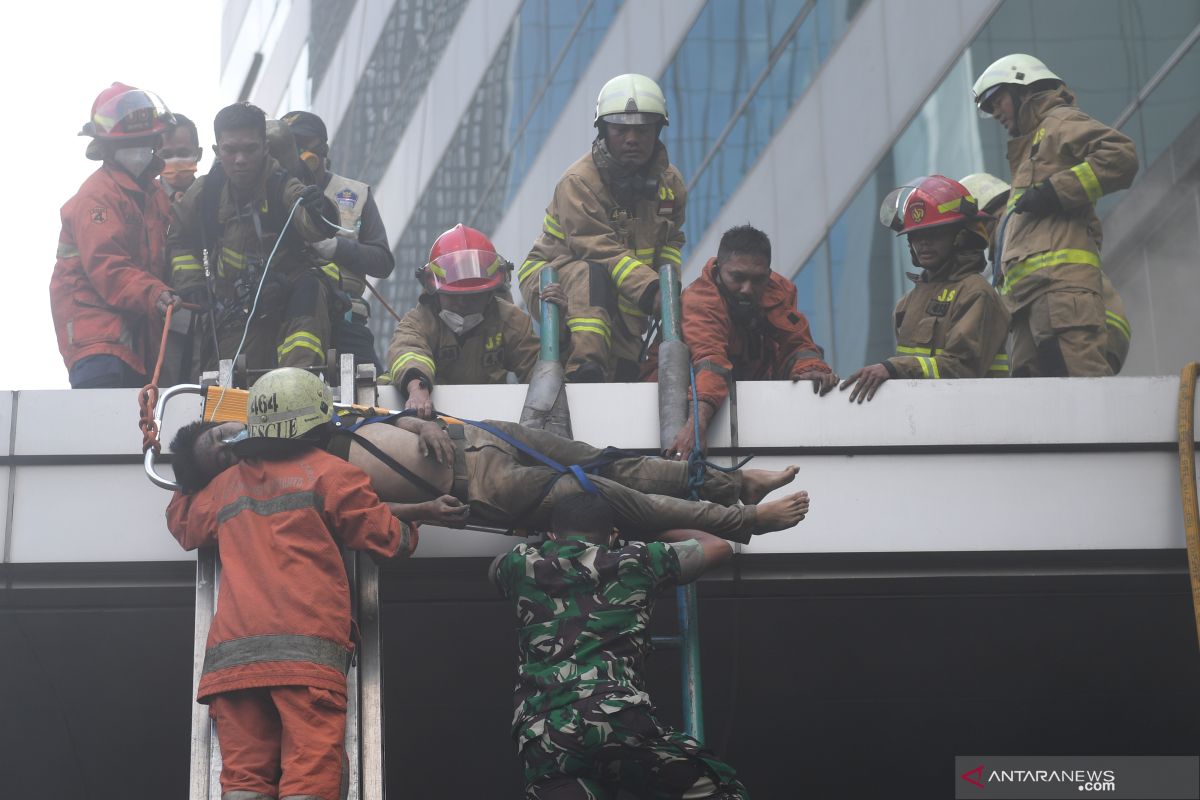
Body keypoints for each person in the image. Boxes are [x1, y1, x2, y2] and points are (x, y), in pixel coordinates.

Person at [171, 369, 811, 544]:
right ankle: (747, 520)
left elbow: (378, 420)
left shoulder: (307, 420)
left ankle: (733, 484)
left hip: (481, 434)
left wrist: (414, 422)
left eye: (223, 435)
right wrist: (426, 506)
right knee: (620, 499)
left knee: (611, 460)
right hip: (487, 489)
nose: (228, 446)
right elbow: (369, 515)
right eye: (218, 450)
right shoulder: (300, 475)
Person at [164, 369, 416, 800]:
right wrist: (414, 523)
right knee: (311, 781)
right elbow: (389, 542)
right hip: (306, 662)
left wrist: (191, 476)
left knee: (243, 784)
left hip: (233, 667)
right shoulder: (334, 475)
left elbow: (183, 525)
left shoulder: (223, 487)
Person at [491, 493, 751, 798]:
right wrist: (648, 531)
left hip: (544, 737)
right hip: (614, 719)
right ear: (612, 535)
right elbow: (719, 547)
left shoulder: (520, 565)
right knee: (722, 790)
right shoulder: (637, 559)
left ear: (552, 535)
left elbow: (494, 567)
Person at [972, 53, 1138, 377]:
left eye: (996, 101)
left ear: (1022, 86)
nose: (995, 114)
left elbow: (1121, 156)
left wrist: (1057, 190)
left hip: (1061, 292)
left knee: (1081, 393)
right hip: (1026, 305)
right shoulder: (1027, 152)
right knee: (1037, 408)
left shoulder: (1058, 123)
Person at [518, 73, 686, 383]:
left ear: (657, 132)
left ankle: (613, 374)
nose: (632, 139)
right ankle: (584, 369)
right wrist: (653, 290)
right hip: (554, 273)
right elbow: (597, 248)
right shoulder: (579, 182)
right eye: (621, 130)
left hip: (625, 285)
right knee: (589, 276)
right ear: (604, 131)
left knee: (624, 367)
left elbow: (671, 243)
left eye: (642, 130)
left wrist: (669, 288)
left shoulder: (670, 186)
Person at [168, 102, 341, 373]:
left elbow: (315, 226)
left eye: (250, 149)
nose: (240, 159)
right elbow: (178, 237)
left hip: (288, 300)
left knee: (310, 288)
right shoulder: (207, 192)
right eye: (230, 150)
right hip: (233, 309)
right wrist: (192, 284)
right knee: (229, 386)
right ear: (217, 151)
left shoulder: (281, 183)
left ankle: (298, 380)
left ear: (265, 148)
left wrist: (319, 210)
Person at [50, 82, 181, 389]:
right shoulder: (97, 197)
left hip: (134, 342)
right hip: (96, 343)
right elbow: (108, 267)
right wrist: (155, 294)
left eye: (145, 140)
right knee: (103, 425)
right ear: (107, 147)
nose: (140, 150)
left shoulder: (153, 196)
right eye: (131, 143)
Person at [668, 224, 835, 459]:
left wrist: (812, 370)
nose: (747, 289)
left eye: (757, 280)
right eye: (737, 277)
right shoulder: (701, 300)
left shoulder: (778, 291)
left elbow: (796, 344)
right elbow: (711, 364)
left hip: (753, 406)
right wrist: (696, 425)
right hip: (688, 400)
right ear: (719, 268)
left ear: (768, 273)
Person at [839, 176, 1011, 403]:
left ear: (959, 236)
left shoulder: (976, 293)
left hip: (975, 415)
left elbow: (962, 366)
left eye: (934, 234)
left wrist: (892, 368)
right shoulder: (907, 303)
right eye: (916, 236)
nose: (923, 244)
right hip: (926, 417)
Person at [959, 172, 1131, 374]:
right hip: (1089, 323)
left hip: (1075, 325)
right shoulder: (1012, 233)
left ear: (982, 219)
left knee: (1078, 395)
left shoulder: (1017, 224)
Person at [386, 224, 564, 417]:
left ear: (490, 293)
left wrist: (561, 330)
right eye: (453, 296)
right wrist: (416, 388)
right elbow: (407, 350)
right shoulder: (419, 322)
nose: (462, 303)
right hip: (432, 418)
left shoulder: (510, 321)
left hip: (491, 419)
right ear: (435, 292)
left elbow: (539, 371)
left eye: (473, 295)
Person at [282, 110, 396, 370]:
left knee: (371, 390)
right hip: (289, 316)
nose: (298, 154)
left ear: (322, 149)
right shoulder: (274, 192)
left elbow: (383, 261)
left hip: (345, 315)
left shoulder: (354, 194)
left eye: (304, 144)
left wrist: (337, 248)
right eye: (292, 146)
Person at [158, 113, 203, 202]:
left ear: (199, 154)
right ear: (155, 158)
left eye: (183, 153)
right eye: (166, 155)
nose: (175, 161)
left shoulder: (213, 195)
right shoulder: (145, 198)